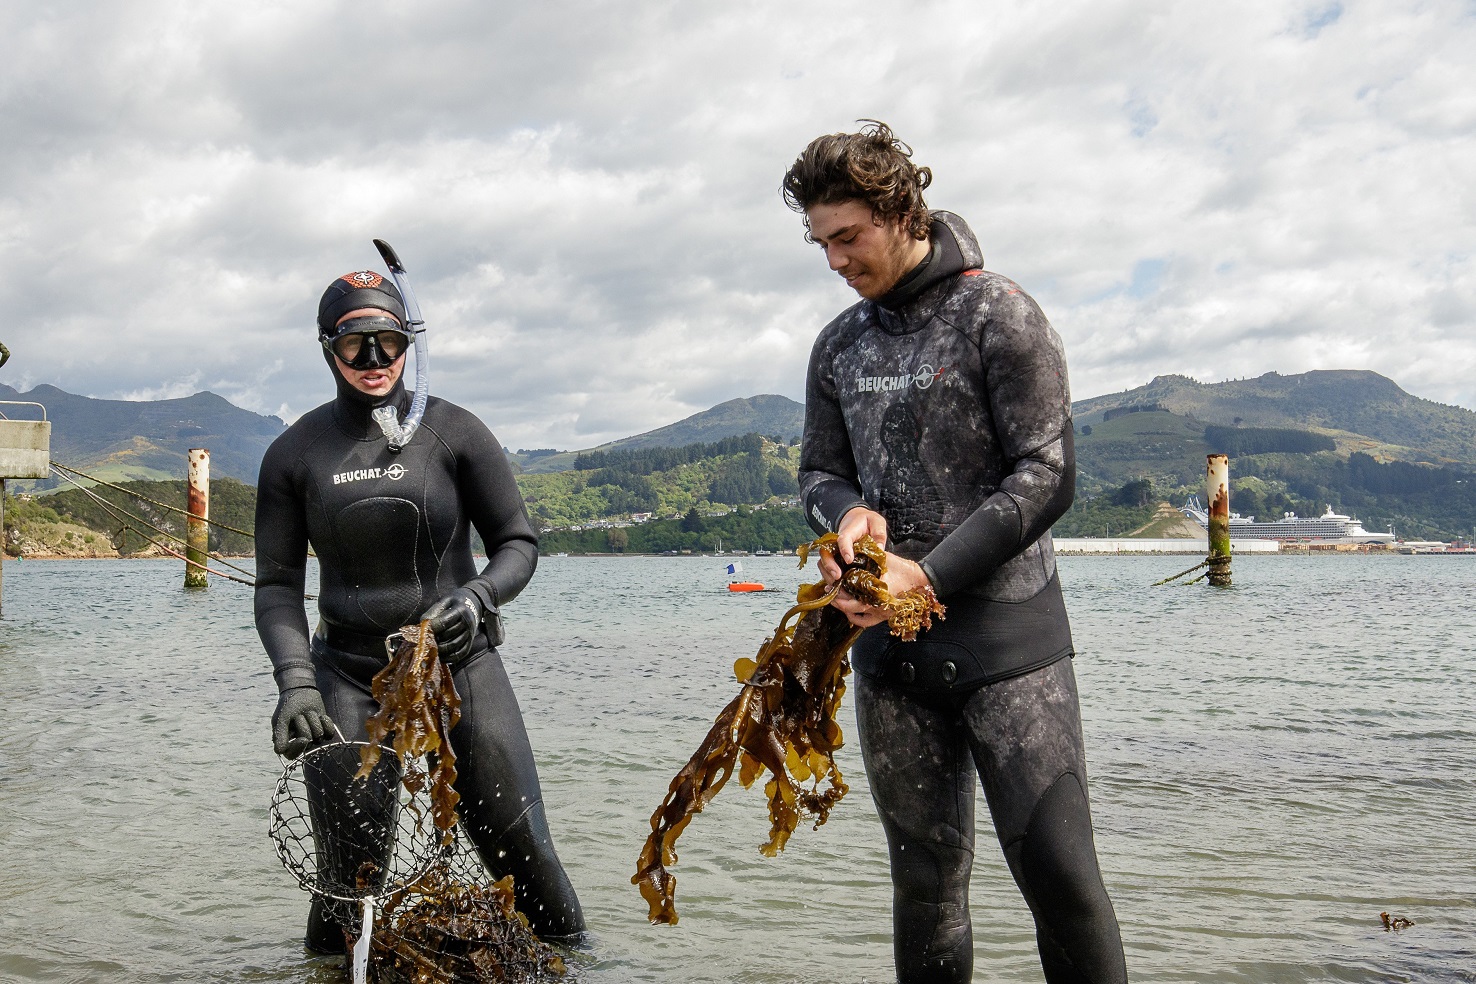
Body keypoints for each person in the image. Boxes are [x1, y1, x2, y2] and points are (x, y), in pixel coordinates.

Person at [782, 122, 1128, 983]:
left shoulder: (999, 314)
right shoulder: (839, 345)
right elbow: (819, 469)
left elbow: (1048, 476)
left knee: (1061, 880)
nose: (834, 260)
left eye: (848, 237)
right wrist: (850, 515)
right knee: (925, 886)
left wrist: (926, 575)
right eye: (819, 243)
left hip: (1010, 649)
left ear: (902, 211)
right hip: (891, 660)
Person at [254, 269, 585, 952]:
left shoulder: (455, 431)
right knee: (350, 882)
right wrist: (295, 681)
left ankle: (579, 966)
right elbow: (277, 586)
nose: (375, 361)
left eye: (389, 342)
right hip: (346, 676)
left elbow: (517, 543)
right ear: (326, 349)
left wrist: (479, 596)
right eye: (355, 346)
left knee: (526, 857)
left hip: (461, 666)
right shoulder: (295, 453)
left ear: (411, 342)